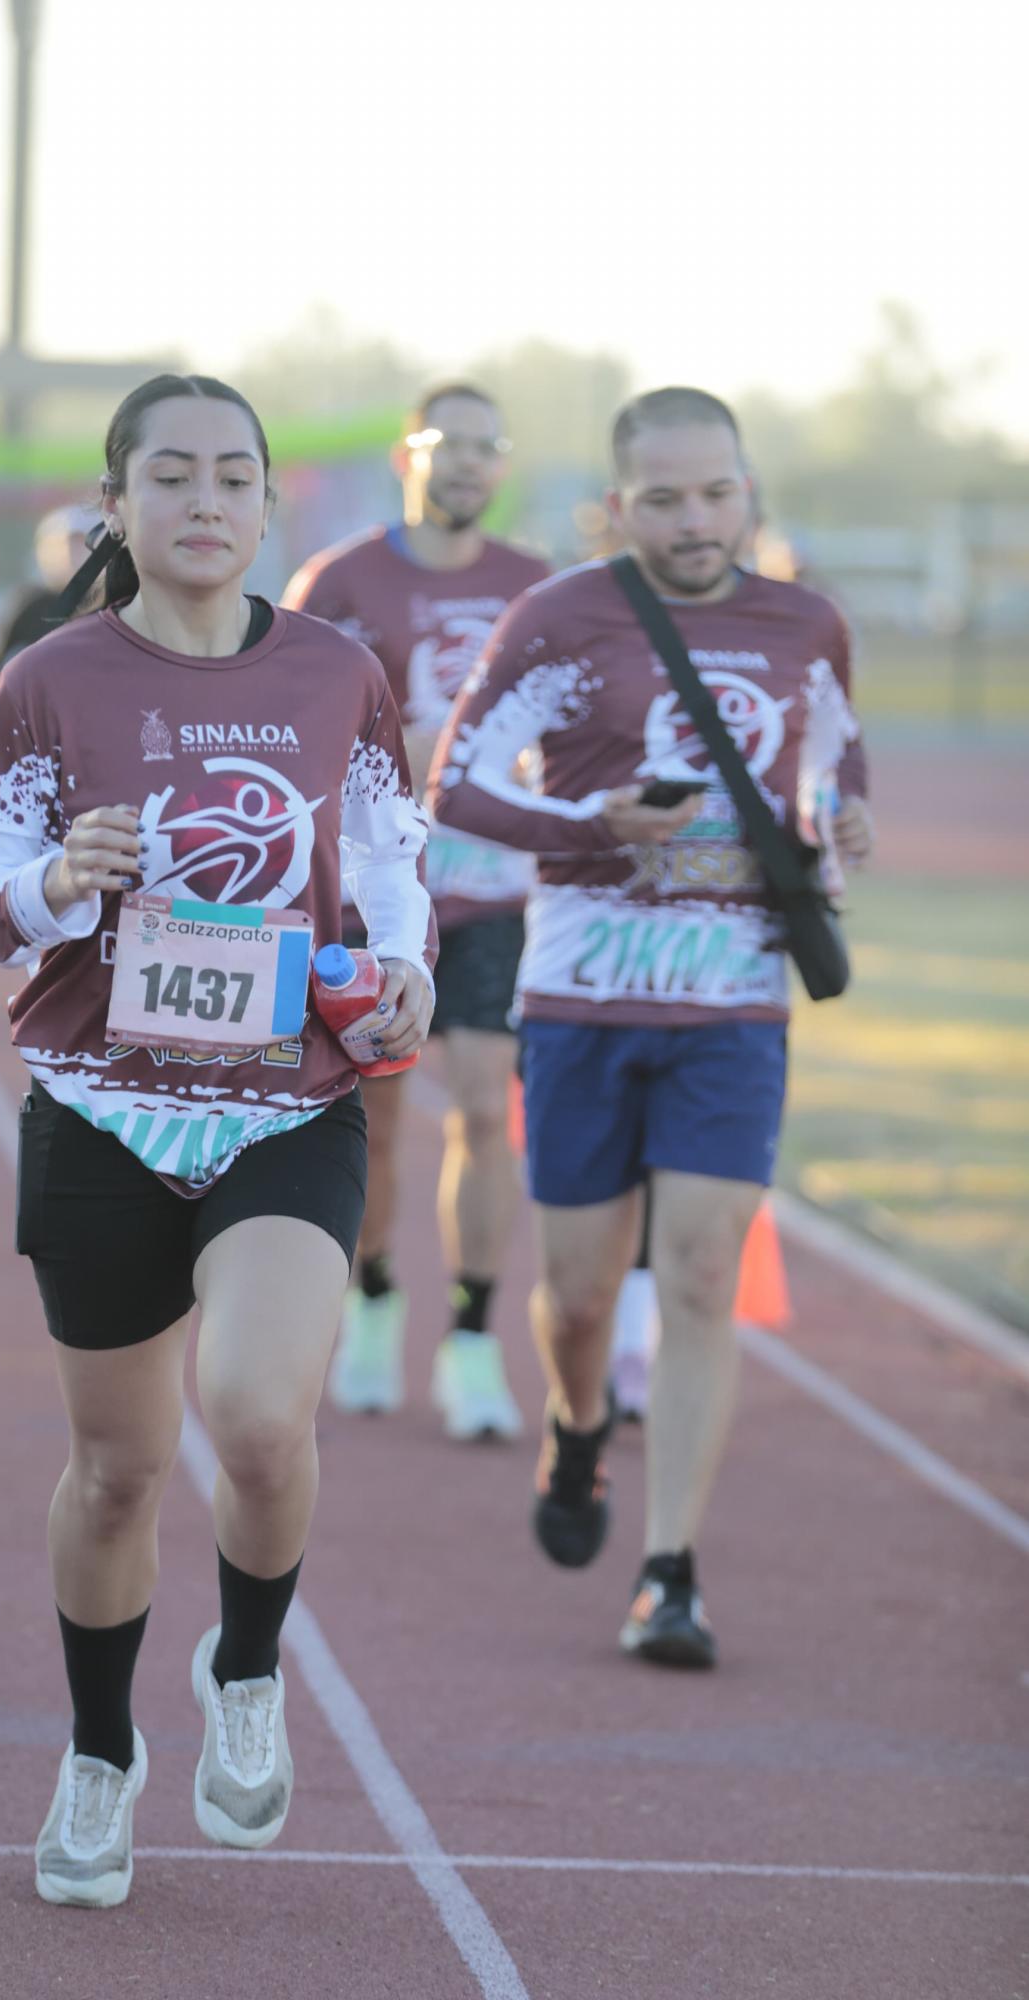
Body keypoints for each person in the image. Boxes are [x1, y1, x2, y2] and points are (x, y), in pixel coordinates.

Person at [0, 375, 435, 1906]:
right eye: (171, 476)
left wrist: (402, 966)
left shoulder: (340, 671)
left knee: (262, 1419)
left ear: (271, 503)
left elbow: (392, 857)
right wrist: (57, 884)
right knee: (120, 1471)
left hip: (287, 1106)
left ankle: (247, 1667)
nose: (205, 500)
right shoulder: (53, 679)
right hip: (101, 1111)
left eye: (233, 475)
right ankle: (98, 1758)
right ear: (118, 505)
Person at [428, 386, 872, 1667]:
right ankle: (575, 1432)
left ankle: (669, 1567)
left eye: (716, 492)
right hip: (578, 1002)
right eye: (665, 498)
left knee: (692, 1278)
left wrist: (844, 826)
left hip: (730, 1003)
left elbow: (836, 773)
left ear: (748, 491)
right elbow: (449, 780)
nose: (695, 519)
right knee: (572, 1296)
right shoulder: (558, 618)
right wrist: (590, 825)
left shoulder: (805, 625)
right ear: (621, 506)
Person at [283, 385, 550, 1440]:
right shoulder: (340, 580)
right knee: (378, 1119)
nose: (472, 464)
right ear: (409, 452)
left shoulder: (537, 586)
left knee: (487, 1109)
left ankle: (475, 1339)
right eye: (453, 444)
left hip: (493, 889)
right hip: (374, 896)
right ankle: (375, 1300)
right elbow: (289, 723)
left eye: (492, 446)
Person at [0, 504, 96, 681]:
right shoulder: (27, 605)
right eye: (60, 545)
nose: (69, 553)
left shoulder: (111, 602)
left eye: (79, 544)